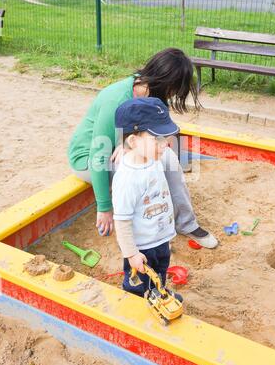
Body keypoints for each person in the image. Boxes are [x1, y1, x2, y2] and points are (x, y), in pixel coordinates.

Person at [68, 47, 218, 248]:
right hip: (89, 158)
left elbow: (161, 135)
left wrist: (125, 144)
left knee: (169, 160)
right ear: (163, 82)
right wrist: (104, 207)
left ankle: (186, 223)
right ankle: (149, 235)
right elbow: (99, 154)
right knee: (141, 167)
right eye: (173, 90)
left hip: (125, 147)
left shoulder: (154, 97)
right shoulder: (115, 99)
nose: (173, 95)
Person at [112, 97, 182, 298]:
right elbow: (122, 221)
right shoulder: (128, 178)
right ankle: (136, 303)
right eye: (157, 140)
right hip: (141, 246)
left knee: (160, 270)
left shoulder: (152, 158)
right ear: (133, 141)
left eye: (166, 138)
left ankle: (157, 293)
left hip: (159, 237)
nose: (165, 145)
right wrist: (132, 253)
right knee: (138, 280)